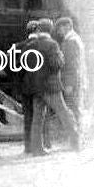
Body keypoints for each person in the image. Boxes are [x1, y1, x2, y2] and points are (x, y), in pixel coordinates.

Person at [25, 18, 80, 154]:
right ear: (50, 30)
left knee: (37, 119)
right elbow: (57, 64)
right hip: (51, 87)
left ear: (39, 30)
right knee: (64, 114)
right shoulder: (52, 44)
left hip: (36, 88)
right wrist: (61, 57)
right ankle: (75, 143)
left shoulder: (31, 45)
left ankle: (37, 149)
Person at [56, 17, 87, 125]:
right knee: (76, 108)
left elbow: (71, 65)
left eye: (60, 28)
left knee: (73, 108)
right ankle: (78, 135)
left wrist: (69, 83)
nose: (59, 32)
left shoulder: (70, 41)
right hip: (77, 80)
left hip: (72, 82)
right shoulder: (76, 39)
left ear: (68, 26)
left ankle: (76, 137)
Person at [15, 20, 40, 153]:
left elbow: (10, 66)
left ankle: (28, 147)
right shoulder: (42, 44)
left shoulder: (18, 46)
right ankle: (42, 145)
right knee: (41, 117)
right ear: (38, 31)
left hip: (25, 87)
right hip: (40, 87)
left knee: (28, 117)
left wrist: (17, 81)